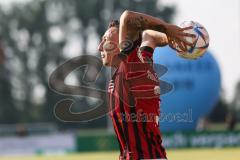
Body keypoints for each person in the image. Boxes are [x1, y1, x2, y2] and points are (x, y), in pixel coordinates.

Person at [98, 10, 195, 160]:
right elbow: (149, 36)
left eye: (105, 39)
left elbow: (127, 16)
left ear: (121, 42)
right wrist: (173, 38)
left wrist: (167, 27)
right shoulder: (142, 60)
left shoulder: (131, 65)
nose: (100, 46)